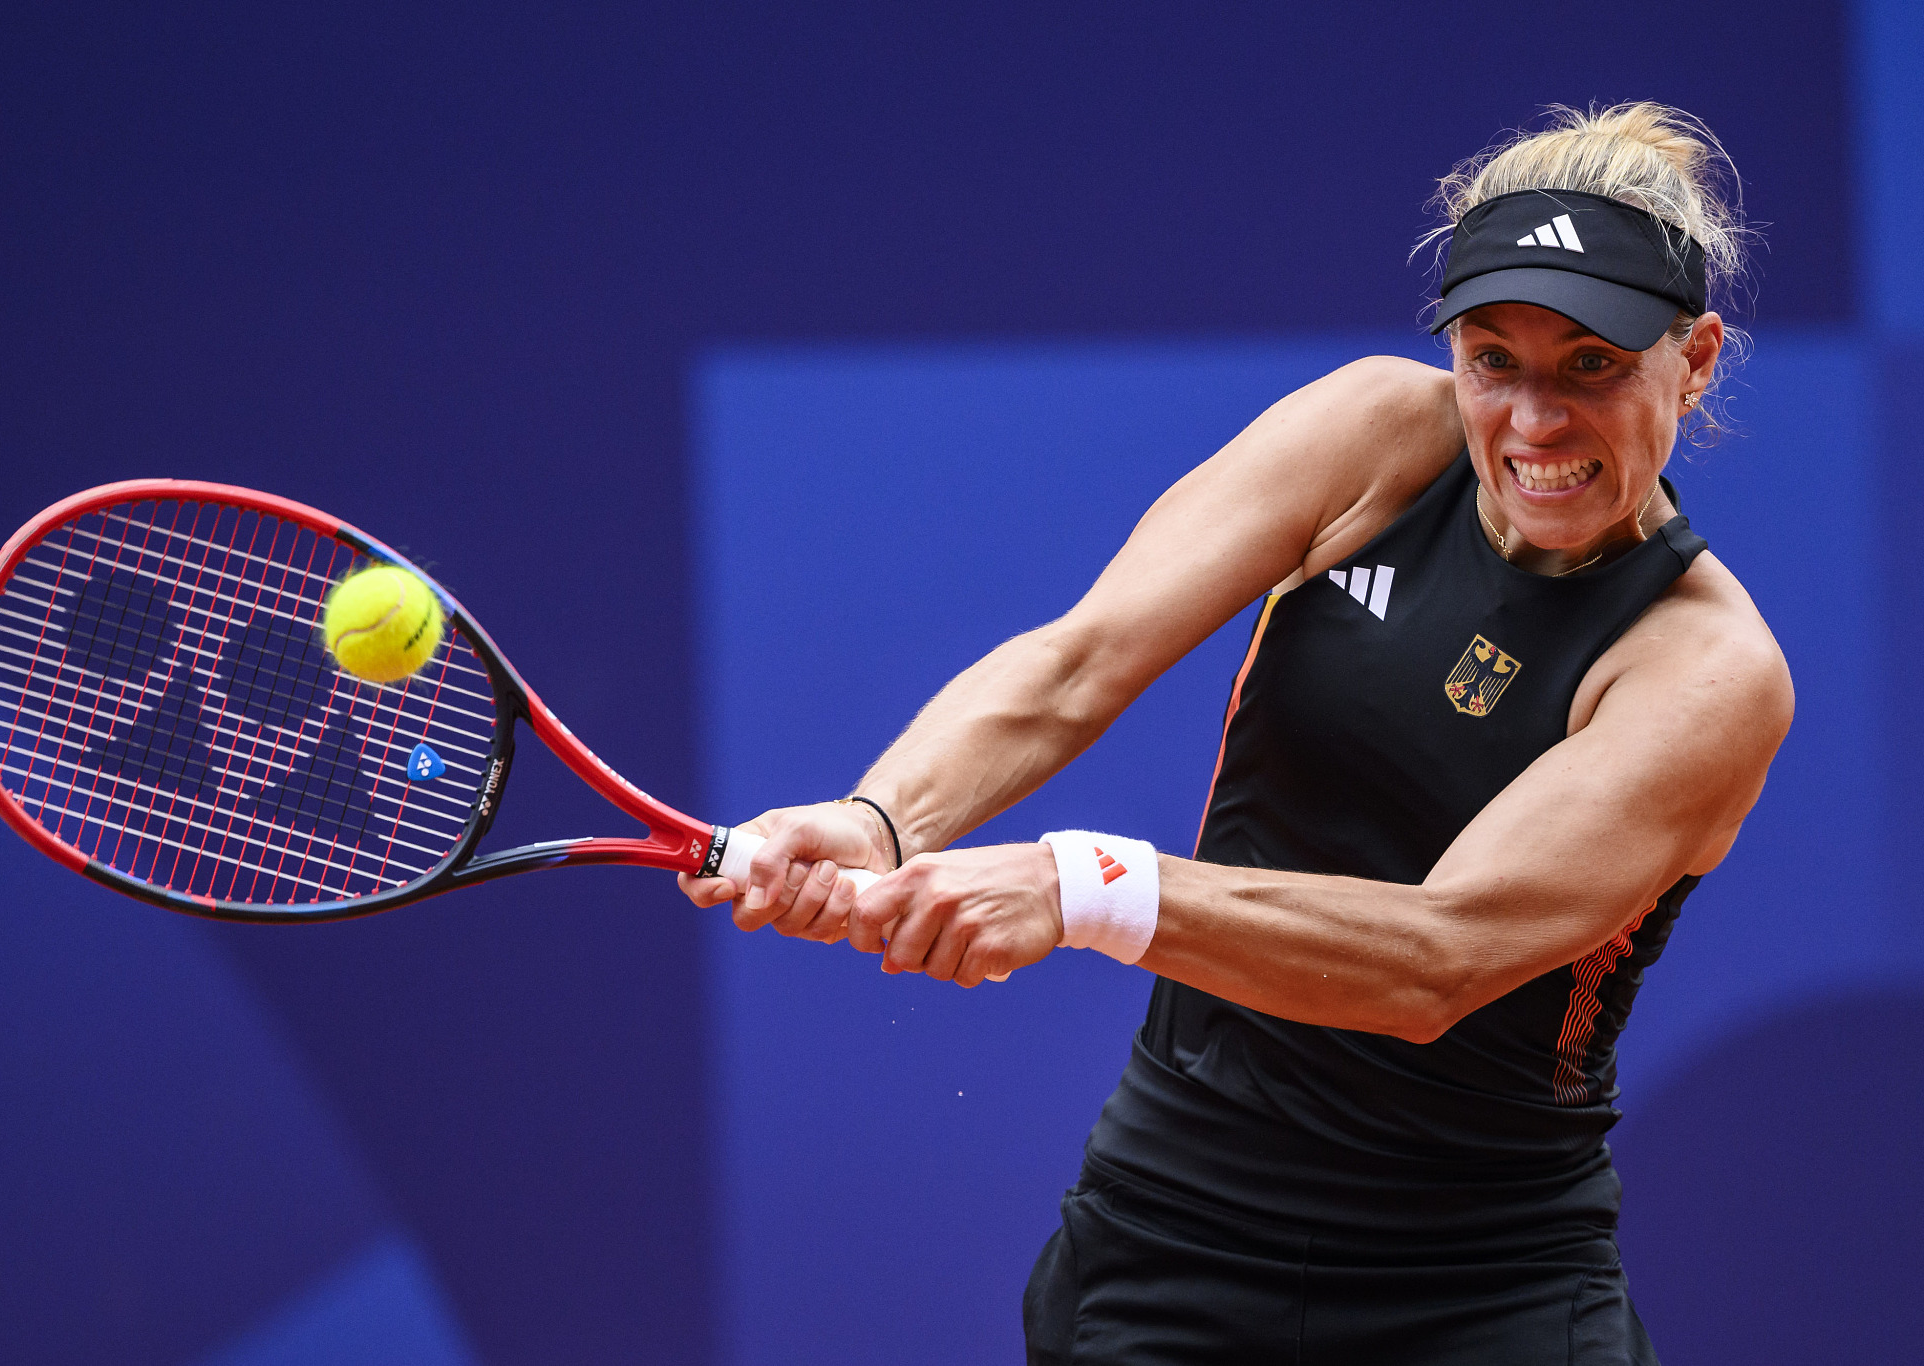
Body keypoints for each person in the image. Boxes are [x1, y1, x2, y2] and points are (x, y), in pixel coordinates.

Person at [681, 102, 1792, 1365]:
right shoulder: (1375, 436)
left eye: (1588, 363)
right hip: (1171, 1235)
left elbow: (1436, 958)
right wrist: (882, 817)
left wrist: (1082, 884)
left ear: (1692, 359)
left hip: (1486, 1291)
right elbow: (1074, 662)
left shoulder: (1703, 668)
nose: (1532, 419)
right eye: (1492, 358)